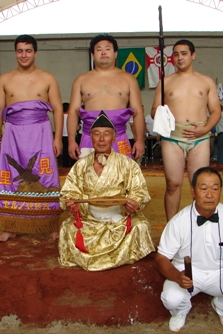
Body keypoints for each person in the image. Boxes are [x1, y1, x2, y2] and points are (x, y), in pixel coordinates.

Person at [156, 166, 223, 332]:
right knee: (172, 298)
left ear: (220, 191)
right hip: (186, 271)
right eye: (203, 189)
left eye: (215, 189)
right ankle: (180, 312)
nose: (209, 195)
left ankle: (222, 307)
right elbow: (161, 258)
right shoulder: (178, 221)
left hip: (221, 270)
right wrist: (177, 276)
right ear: (193, 191)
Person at [58, 111, 154, 271]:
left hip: (119, 220)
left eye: (106, 134)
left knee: (141, 226)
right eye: (97, 134)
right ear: (90, 137)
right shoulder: (81, 165)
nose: (101, 139)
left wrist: (135, 202)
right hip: (89, 219)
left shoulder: (127, 164)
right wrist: (70, 201)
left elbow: (140, 191)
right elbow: (69, 191)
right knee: (67, 228)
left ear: (114, 137)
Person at [0, 34, 63, 243]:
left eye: (28, 50)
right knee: (11, 175)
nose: (24, 55)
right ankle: (9, 225)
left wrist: (57, 137)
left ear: (35, 53)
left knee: (45, 174)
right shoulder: (5, 79)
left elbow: (57, 109)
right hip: (12, 132)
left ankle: (50, 224)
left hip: (40, 131)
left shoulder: (47, 78)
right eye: (20, 51)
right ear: (15, 53)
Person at [151, 39, 221, 221]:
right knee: (173, 184)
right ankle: (172, 230)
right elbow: (154, 110)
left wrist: (204, 128)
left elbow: (215, 111)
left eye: (183, 53)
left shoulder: (206, 81)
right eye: (176, 54)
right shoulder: (165, 82)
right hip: (172, 136)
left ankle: (198, 227)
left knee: (199, 184)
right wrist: (162, 115)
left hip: (200, 136)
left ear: (193, 55)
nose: (179, 57)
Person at [67, 34, 145, 162]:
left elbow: (138, 111)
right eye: (99, 49)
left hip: (119, 136)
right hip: (89, 137)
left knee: (121, 178)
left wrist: (140, 140)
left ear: (115, 53)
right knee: (89, 179)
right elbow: (73, 111)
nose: (103, 52)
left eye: (107, 49)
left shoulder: (128, 79)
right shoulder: (81, 80)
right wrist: (71, 140)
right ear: (93, 55)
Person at [61, 102, 77, 168]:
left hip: (63, 136)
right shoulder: (71, 116)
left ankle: (65, 165)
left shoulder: (60, 116)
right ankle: (73, 165)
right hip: (71, 136)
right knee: (73, 151)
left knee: (65, 151)